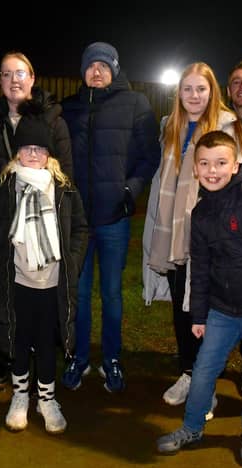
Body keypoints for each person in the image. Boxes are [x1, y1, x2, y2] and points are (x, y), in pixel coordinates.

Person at [156, 130, 242, 466]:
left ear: (235, 165)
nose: (213, 170)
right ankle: (192, 427)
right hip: (221, 310)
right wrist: (200, 315)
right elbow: (201, 268)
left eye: (221, 162)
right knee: (203, 371)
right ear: (196, 168)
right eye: (204, 163)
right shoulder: (201, 212)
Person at [143, 62, 242, 413]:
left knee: (205, 312)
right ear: (179, 93)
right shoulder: (170, 126)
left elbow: (238, 178)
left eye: (200, 89)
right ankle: (187, 373)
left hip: (210, 236)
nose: (193, 96)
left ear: (212, 91)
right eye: (187, 89)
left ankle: (206, 384)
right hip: (174, 234)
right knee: (180, 309)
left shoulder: (227, 126)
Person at [0, 115, 87, 433]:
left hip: (52, 282)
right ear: (17, 153)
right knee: (20, 340)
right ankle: (21, 396)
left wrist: (73, 263)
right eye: (27, 148)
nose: (34, 154)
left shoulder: (63, 189)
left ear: (49, 154)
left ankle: (48, 399)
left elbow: (80, 228)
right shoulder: (4, 188)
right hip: (18, 282)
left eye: (40, 149)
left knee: (47, 341)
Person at [61, 41, 160, 393]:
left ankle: (112, 359)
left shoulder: (136, 104)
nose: (97, 71)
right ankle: (79, 357)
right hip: (79, 221)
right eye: (91, 66)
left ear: (115, 70)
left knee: (112, 294)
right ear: (83, 70)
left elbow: (150, 156)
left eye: (104, 66)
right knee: (80, 294)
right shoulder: (69, 108)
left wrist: (130, 191)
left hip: (114, 219)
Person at [0, 51, 73, 390]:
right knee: (10, 305)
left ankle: (46, 373)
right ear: (0, 81)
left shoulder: (54, 119)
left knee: (44, 308)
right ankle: (10, 362)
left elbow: (68, 185)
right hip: (10, 230)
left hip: (47, 234)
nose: (14, 80)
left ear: (32, 78)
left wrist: (70, 250)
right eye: (7, 74)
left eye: (21, 73)